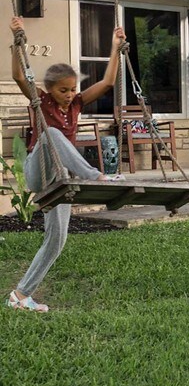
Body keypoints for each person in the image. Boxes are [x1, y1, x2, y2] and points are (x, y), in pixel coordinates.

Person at [6, 16, 125, 312]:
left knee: (57, 240)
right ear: (50, 89)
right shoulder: (41, 101)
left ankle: (20, 296)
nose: (70, 94)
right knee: (54, 134)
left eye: (73, 89)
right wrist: (17, 42)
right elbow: (21, 78)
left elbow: (109, 82)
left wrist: (115, 47)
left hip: (60, 181)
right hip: (39, 170)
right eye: (64, 90)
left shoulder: (77, 104)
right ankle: (97, 176)